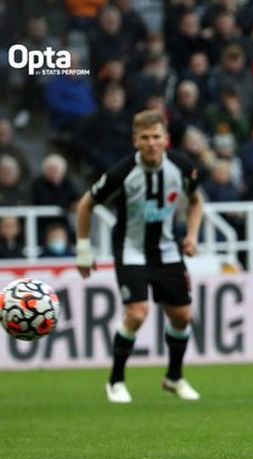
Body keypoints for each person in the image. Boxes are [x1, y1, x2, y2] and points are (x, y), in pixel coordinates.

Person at [76, 110, 204, 404]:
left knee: (183, 317)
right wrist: (84, 250)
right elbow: (86, 204)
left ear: (166, 139)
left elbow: (196, 201)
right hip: (131, 251)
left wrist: (193, 235)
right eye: (144, 138)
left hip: (168, 251)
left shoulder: (182, 167)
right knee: (137, 313)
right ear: (135, 140)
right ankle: (116, 381)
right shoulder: (122, 173)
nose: (151, 143)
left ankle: (174, 378)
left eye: (156, 137)